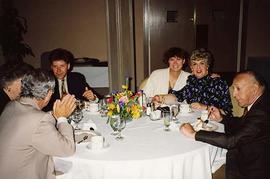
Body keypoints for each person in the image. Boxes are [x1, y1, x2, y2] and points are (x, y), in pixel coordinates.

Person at [180, 70, 270, 179]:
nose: (234, 94)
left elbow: (231, 141)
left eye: (238, 89)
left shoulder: (262, 112)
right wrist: (222, 118)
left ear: (254, 89)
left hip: (250, 169)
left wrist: (194, 134)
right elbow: (244, 123)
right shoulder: (260, 102)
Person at [0, 69, 76, 179]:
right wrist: (62, 118)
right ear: (49, 93)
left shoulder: (11, 105)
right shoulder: (39, 120)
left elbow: (32, 124)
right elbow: (67, 149)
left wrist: (55, 114)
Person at [153, 48, 232, 116]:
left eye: (202, 63)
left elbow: (227, 112)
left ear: (207, 66)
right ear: (191, 68)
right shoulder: (192, 81)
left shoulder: (219, 83)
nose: (198, 67)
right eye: (194, 64)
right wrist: (160, 97)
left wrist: (204, 107)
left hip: (213, 123)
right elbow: (179, 95)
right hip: (194, 121)